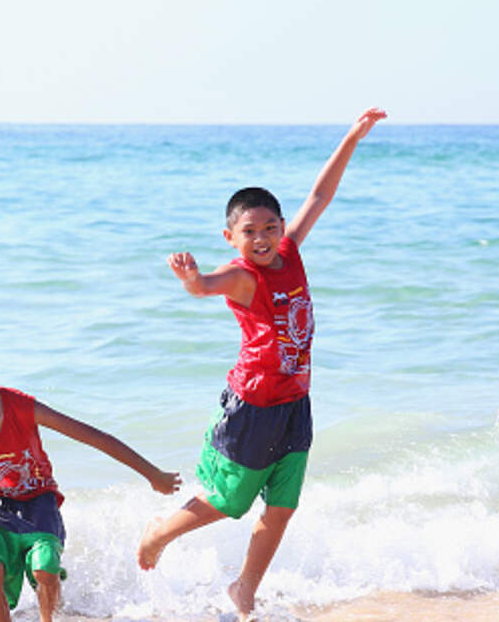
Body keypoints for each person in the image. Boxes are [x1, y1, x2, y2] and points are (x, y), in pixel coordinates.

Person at [137, 107, 387, 616]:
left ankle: (244, 588)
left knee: (282, 506)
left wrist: (352, 137)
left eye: (270, 227)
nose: (263, 238)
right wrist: (191, 279)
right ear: (231, 238)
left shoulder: (289, 252)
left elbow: (319, 196)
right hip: (252, 405)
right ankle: (157, 533)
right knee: (230, 503)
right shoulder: (242, 275)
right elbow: (205, 287)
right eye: (250, 231)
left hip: (294, 402)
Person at [0, 339, 182, 622]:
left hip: (38, 500)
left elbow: (94, 437)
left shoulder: (20, 408)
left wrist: (152, 474)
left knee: (46, 570)